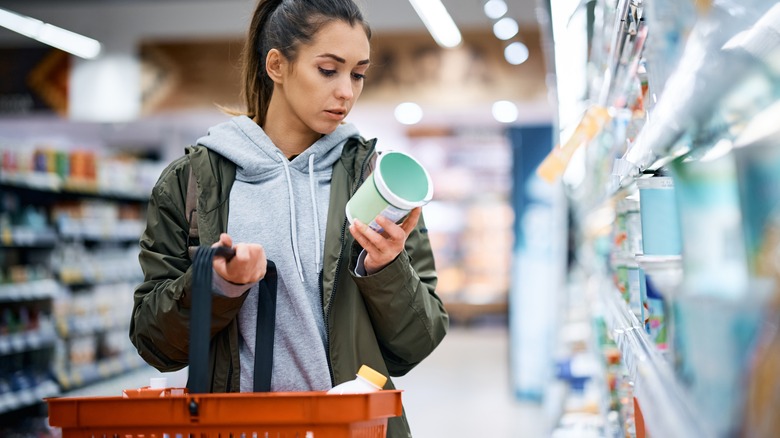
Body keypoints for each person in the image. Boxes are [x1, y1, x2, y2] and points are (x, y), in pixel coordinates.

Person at [129, 0, 449, 436]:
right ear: (277, 65)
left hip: (353, 428)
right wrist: (220, 284)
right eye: (328, 70)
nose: (346, 92)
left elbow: (417, 343)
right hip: (238, 427)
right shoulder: (191, 183)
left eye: (358, 74)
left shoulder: (376, 181)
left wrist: (385, 269)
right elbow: (154, 342)